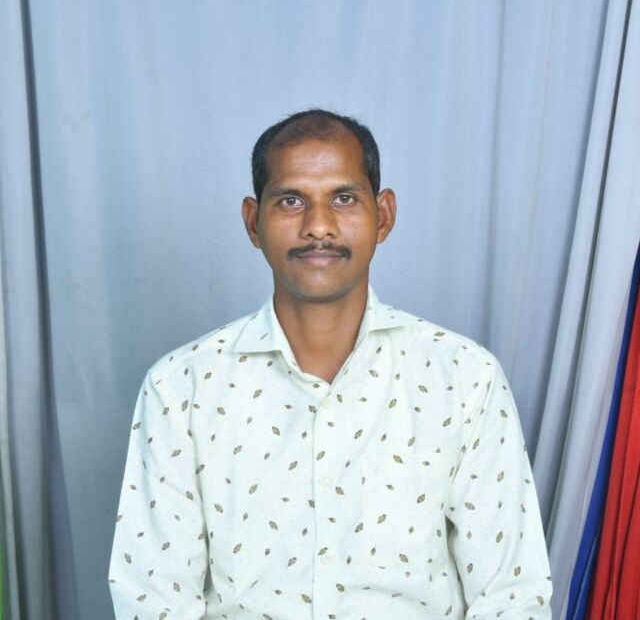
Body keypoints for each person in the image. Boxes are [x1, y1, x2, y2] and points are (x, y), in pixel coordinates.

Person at [108, 109, 553, 619]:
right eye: (291, 200)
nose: (318, 226)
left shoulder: (465, 378)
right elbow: (155, 600)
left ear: (383, 215)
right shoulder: (181, 388)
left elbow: (512, 596)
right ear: (253, 222)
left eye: (343, 199)